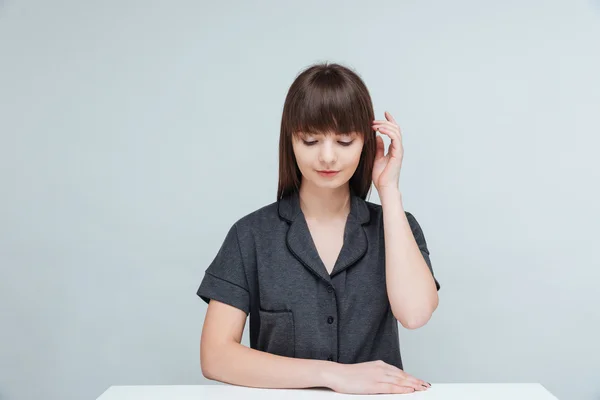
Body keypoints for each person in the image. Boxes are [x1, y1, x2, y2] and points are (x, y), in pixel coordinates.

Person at [197, 62, 441, 395]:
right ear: (291, 142)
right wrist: (333, 375)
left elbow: (414, 315)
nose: (327, 157)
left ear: (366, 143)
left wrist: (389, 191)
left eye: (344, 141)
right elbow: (215, 357)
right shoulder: (250, 235)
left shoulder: (397, 227)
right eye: (310, 140)